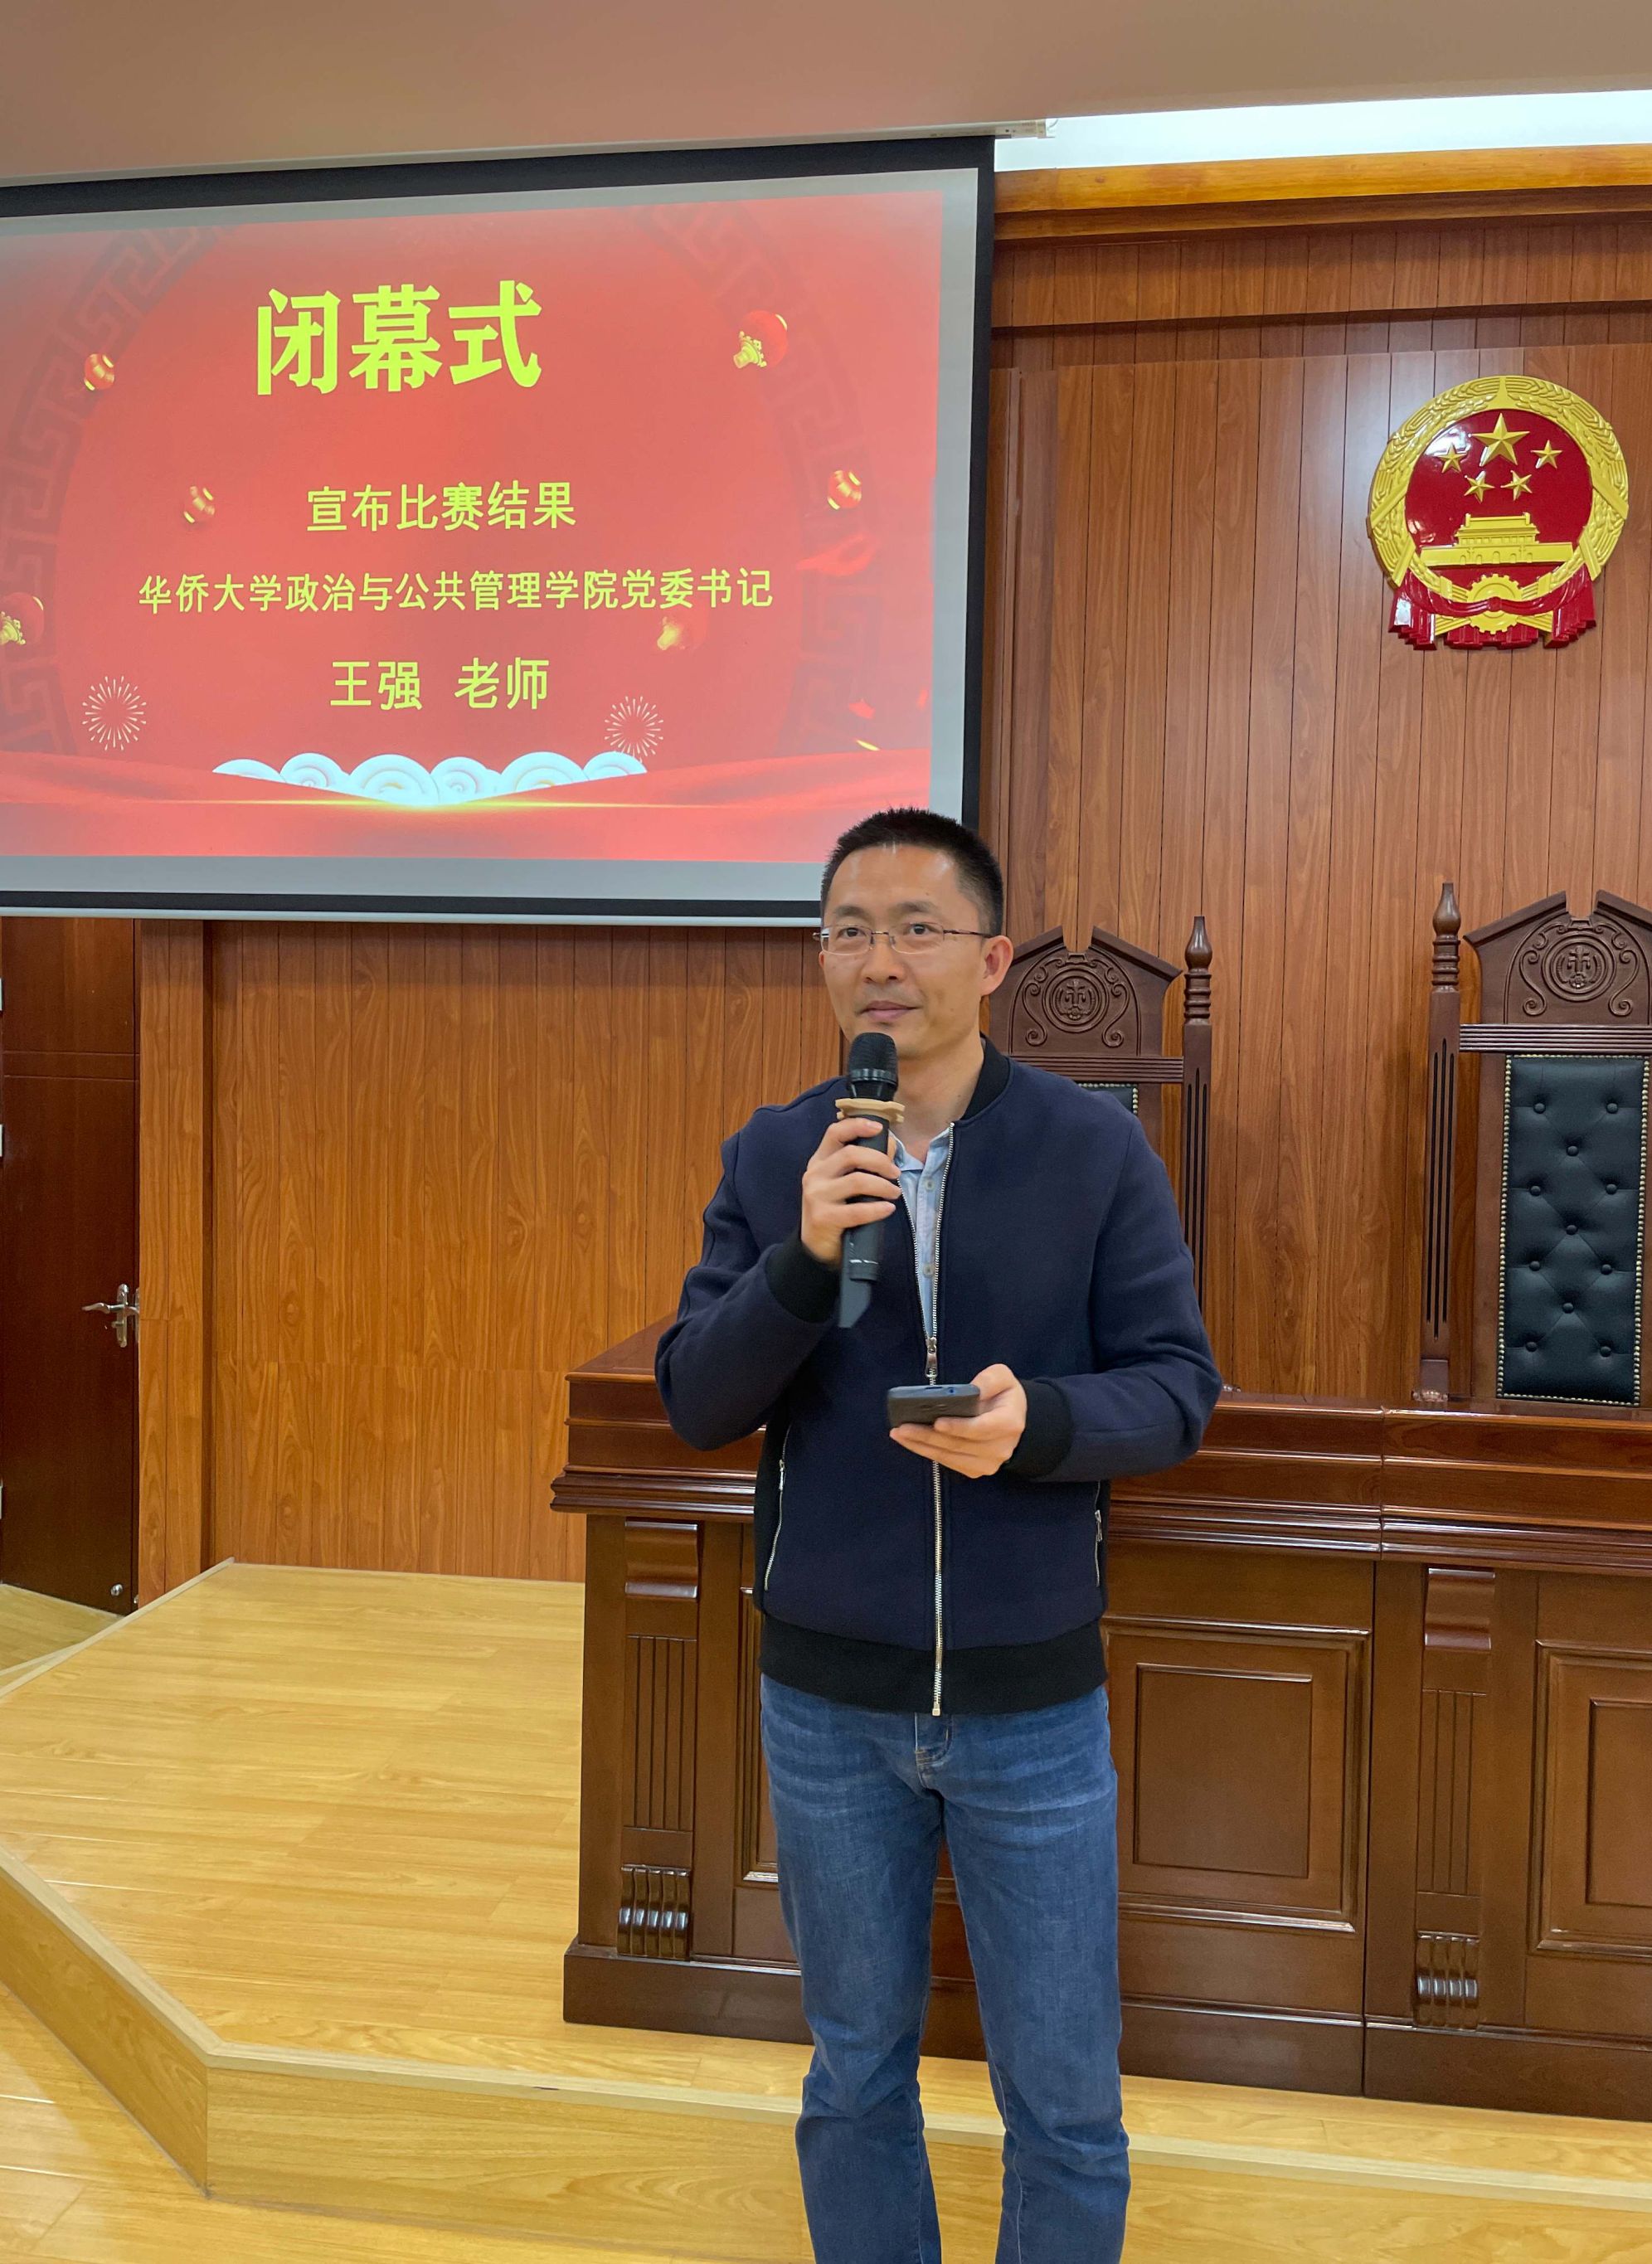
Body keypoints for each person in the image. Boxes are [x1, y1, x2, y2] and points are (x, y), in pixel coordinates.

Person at [657, 807, 1221, 2264]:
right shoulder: (778, 1151)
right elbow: (698, 1398)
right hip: (827, 1705)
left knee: (1065, 2101)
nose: (880, 961)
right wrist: (802, 1261)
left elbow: (1177, 1388)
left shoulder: (1093, 1150)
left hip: (1030, 1704)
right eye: (849, 930)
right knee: (855, 2076)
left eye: (917, 928)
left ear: (992, 956)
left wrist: (1041, 1422)